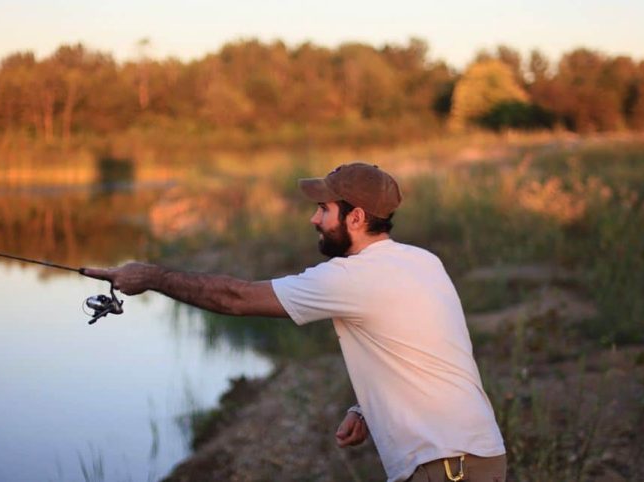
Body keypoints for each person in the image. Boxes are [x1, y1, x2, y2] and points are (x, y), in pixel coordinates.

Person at [81, 163, 506, 482]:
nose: (314, 219)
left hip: (446, 466)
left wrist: (152, 277)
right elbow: (424, 346)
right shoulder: (420, 260)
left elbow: (236, 298)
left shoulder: (354, 277)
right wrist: (367, 406)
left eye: (324, 209)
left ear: (355, 217)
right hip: (477, 455)